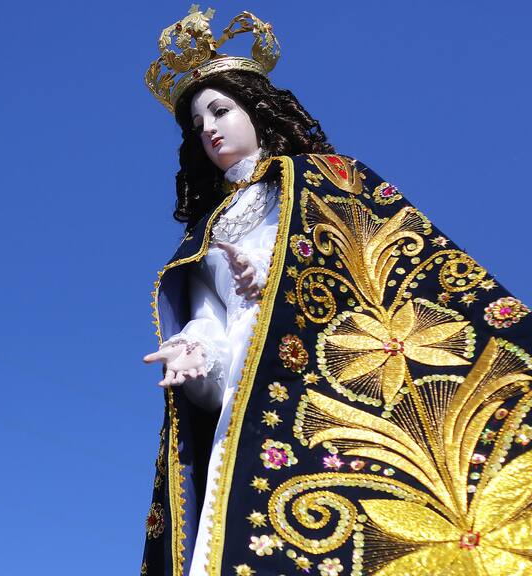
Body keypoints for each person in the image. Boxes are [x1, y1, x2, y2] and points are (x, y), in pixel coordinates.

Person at [140, 7, 532, 576]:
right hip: (250, 391)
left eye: (220, 110)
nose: (209, 129)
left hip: (332, 373)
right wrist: (193, 349)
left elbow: (388, 271)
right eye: (197, 125)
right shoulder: (202, 238)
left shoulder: (329, 178)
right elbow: (209, 321)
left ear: (257, 109)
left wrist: (276, 273)